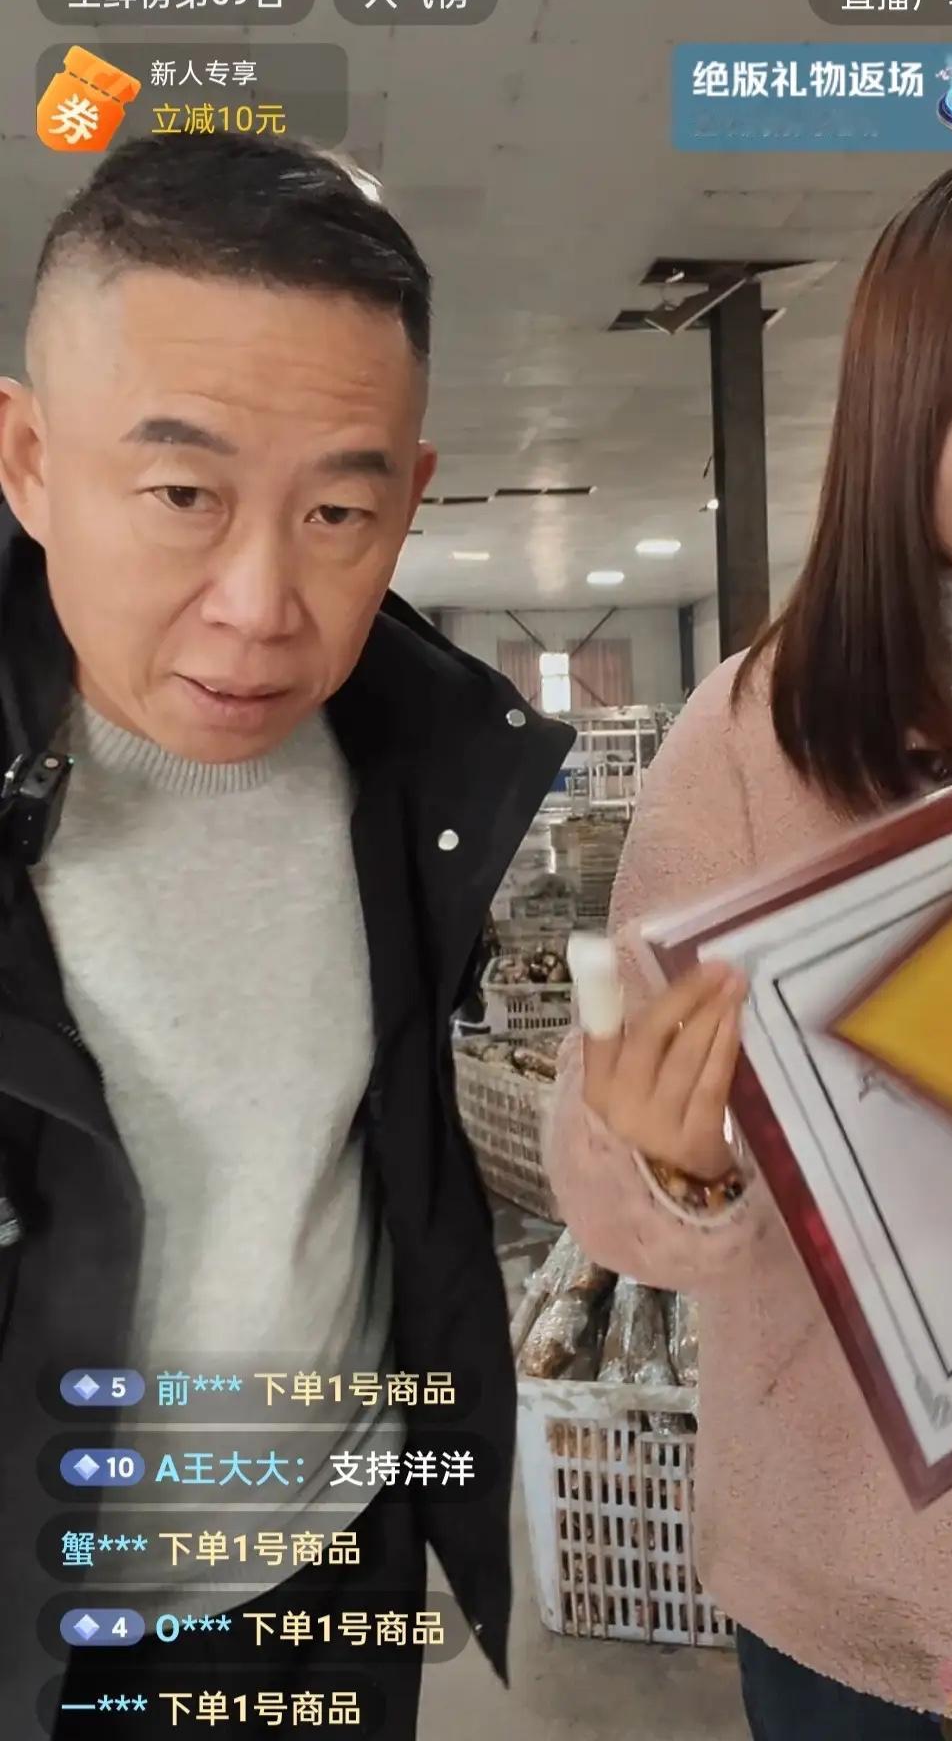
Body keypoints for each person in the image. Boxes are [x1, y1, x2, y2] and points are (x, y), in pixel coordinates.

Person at [0, 131, 572, 1738]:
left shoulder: (423, 771)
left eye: (336, 511)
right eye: (183, 493)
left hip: (330, 1585)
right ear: (30, 460)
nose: (260, 604)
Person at [547, 150, 952, 1741]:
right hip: (862, 1563)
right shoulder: (755, 736)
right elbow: (619, 1128)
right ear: (898, 427)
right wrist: (665, 1157)